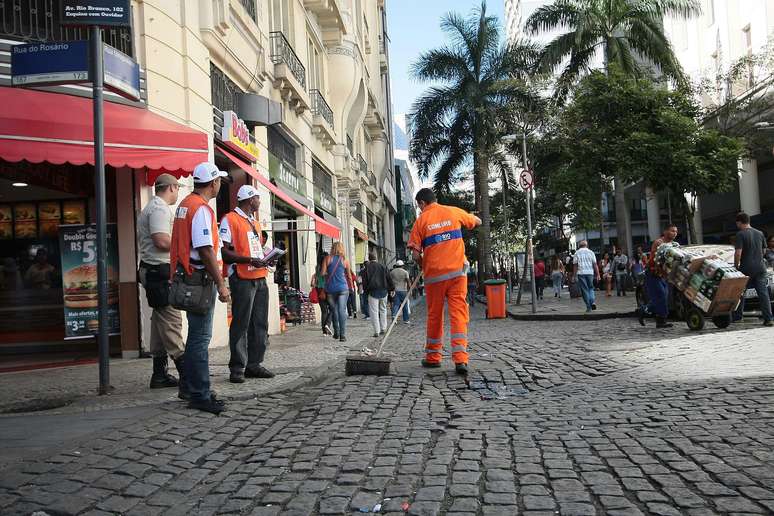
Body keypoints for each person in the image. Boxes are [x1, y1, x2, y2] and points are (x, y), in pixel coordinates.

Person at [170, 162, 231, 414]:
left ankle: (192, 388)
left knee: (195, 337)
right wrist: (220, 282)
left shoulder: (185, 204)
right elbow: (205, 249)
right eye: (219, 181)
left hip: (188, 277)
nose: (220, 185)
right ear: (213, 183)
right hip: (200, 280)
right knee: (199, 339)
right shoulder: (201, 209)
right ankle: (200, 394)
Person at [408, 188, 481, 375]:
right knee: (458, 315)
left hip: (434, 277)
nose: (419, 209)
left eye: (419, 206)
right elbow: (475, 222)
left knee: (435, 316)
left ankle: (433, 358)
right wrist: (475, 218)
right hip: (458, 274)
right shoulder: (452, 211)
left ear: (422, 203)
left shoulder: (420, 221)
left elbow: (415, 254)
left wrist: (425, 263)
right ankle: (461, 359)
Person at [220, 185, 275, 384]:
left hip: (259, 277)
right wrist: (249, 260)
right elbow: (224, 252)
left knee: (260, 323)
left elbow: (257, 249)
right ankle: (237, 367)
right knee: (241, 323)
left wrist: (267, 257)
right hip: (242, 278)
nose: (260, 202)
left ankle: (254, 364)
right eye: (258, 198)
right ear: (250, 199)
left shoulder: (255, 223)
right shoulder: (229, 220)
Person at [137, 173, 185, 391]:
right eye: (178, 188)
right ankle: (188, 374)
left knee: (159, 322)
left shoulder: (152, 207)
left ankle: (159, 375)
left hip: (154, 272)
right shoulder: (159, 208)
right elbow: (161, 240)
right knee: (172, 321)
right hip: (160, 273)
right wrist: (184, 245)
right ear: (172, 188)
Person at [733, 212, 773, 326]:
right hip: (761, 268)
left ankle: (737, 316)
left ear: (739, 222)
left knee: (740, 292)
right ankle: (768, 318)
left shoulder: (740, 234)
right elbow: (764, 251)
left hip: (746, 268)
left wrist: (736, 266)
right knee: (763, 293)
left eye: (737, 223)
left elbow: (738, 253)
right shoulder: (760, 233)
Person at [637, 224, 678, 329]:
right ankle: (661, 321)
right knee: (661, 296)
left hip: (662, 275)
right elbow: (658, 259)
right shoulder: (659, 242)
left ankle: (644, 310)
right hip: (652, 273)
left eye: (676, 231)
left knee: (662, 297)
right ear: (665, 232)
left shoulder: (674, 245)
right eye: (672, 231)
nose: (675, 233)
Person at [322, 241, 352, 342]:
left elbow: (322, 273)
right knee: (341, 311)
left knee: (334, 310)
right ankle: (342, 336)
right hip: (343, 288)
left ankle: (336, 333)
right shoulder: (345, 260)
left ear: (332, 248)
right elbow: (349, 275)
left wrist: (328, 273)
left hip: (331, 289)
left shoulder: (327, 258)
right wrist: (351, 287)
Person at [362, 252, 394, 336]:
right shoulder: (383, 266)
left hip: (372, 292)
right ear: (376, 258)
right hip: (384, 291)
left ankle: (377, 331)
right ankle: (384, 328)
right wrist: (392, 288)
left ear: (369, 259)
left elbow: (365, 282)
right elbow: (389, 278)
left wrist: (366, 292)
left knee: (374, 312)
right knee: (383, 309)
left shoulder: (367, 268)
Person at [573, 240, 600, 313]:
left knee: (584, 290)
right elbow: (595, 264)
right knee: (591, 288)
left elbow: (575, 265)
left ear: (579, 246)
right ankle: (592, 301)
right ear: (586, 245)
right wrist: (598, 274)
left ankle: (588, 307)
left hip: (581, 273)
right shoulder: (591, 252)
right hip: (590, 273)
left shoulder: (576, 253)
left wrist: (574, 275)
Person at [311, 252, 332, 335]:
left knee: (324, 311)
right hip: (328, 289)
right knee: (333, 308)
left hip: (319, 289)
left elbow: (314, 281)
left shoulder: (317, 268)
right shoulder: (328, 267)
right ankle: (327, 324)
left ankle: (324, 332)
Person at [390, 259, 412, 324]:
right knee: (404, 305)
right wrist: (410, 290)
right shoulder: (405, 272)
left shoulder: (392, 272)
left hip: (395, 290)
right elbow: (408, 281)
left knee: (396, 304)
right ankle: (406, 319)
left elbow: (390, 281)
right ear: (402, 266)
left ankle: (394, 317)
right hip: (403, 290)